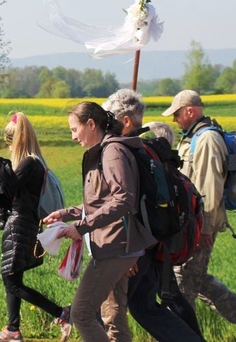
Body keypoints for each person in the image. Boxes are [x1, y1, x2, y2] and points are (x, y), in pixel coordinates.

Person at [43, 101, 157, 342]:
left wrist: (81, 227)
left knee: (82, 313)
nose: (73, 137)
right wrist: (66, 214)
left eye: (74, 129)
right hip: (117, 244)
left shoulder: (112, 152)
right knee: (114, 315)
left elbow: (123, 199)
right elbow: (102, 201)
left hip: (115, 245)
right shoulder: (106, 151)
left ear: (91, 124)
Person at [103, 89, 203, 342]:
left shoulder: (129, 153)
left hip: (140, 245)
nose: (107, 126)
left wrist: (131, 250)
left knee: (116, 307)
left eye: (110, 119)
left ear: (125, 120)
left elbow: (129, 203)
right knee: (147, 304)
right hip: (158, 239)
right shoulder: (150, 149)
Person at [162, 89, 236, 342]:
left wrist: (204, 230)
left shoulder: (206, 140)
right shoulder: (194, 137)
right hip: (192, 225)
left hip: (198, 226)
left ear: (190, 111)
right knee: (195, 279)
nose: (175, 120)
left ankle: (184, 336)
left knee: (183, 287)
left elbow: (208, 187)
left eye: (177, 114)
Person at [0, 112, 72, 342]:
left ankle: (62, 313)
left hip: (19, 225)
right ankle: (13, 330)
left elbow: (4, 194)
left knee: (12, 281)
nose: (8, 146)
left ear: (16, 140)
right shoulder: (36, 162)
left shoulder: (27, 164)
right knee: (12, 279)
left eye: (9, 141)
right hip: (27, 225)